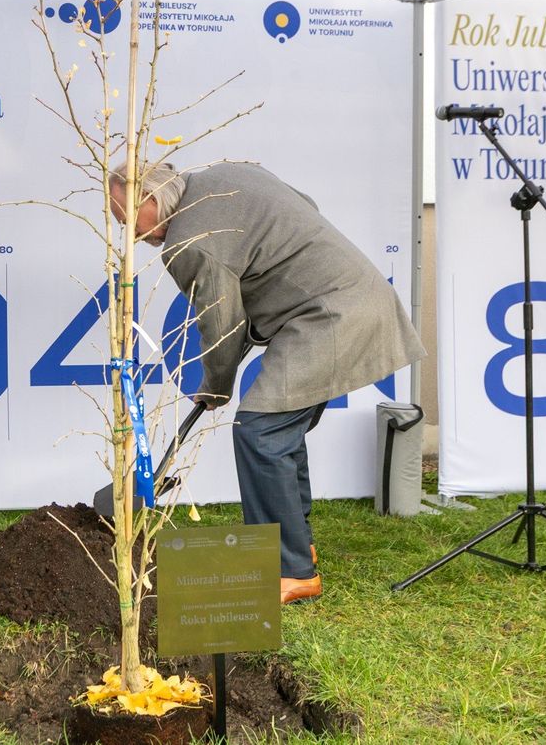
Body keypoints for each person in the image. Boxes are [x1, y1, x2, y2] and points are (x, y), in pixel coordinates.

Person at [109, 161, 425, 604]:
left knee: (261, 430)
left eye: (125, 217)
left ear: (149, 197)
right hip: (352, 296)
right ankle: (298, 544)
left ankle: (291, 569)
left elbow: (221, 324)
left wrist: (216, 384)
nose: (129, 232)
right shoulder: (227, 176)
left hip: (330, 314)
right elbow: (303, 207)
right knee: (277, 429)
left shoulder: (188, 241)